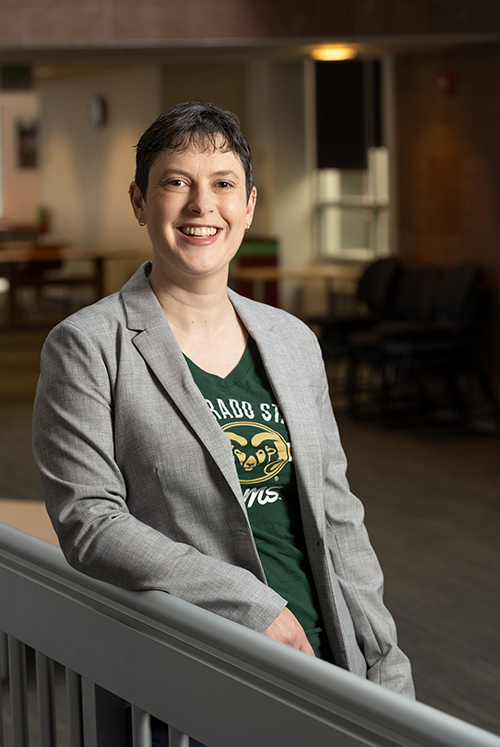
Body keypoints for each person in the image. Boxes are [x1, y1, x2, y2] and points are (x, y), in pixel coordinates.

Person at [33, 101, 414, 745]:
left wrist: (385, 666)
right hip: (199, 662)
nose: (201, 206)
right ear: (139, 200)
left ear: (250, 204)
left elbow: (336, 512)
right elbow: (90, 525)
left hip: (327, 656)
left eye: (223, 184)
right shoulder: (89, 345)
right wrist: (253, 608)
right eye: (176, 182)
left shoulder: (292, 340)